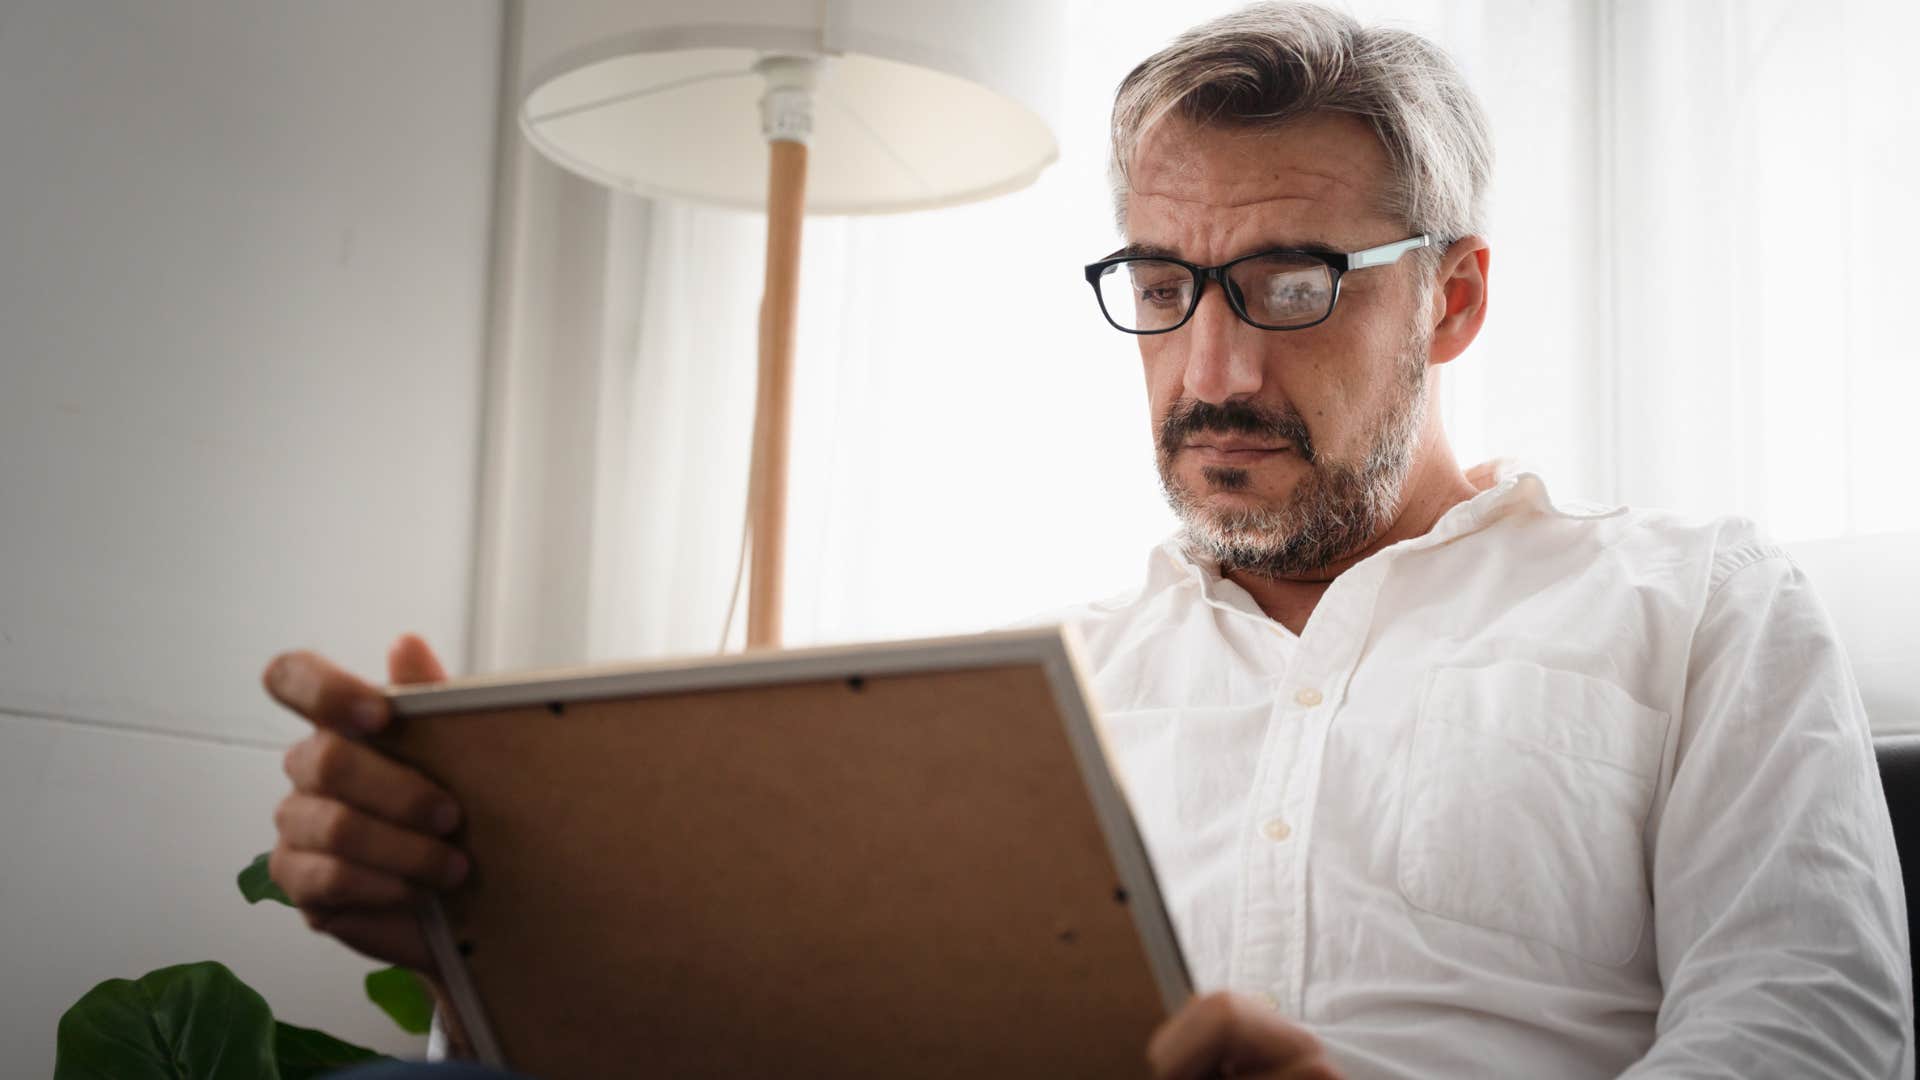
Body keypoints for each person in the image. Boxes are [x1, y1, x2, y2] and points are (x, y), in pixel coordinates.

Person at [264, 3, 1913, 1077]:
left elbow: (1811, 1048)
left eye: (1292, 284)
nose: (1215, 371)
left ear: (1453, 297)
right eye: (1164, 286)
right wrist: (495, 936)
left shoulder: (1694, 607)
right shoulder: (1048, 694)